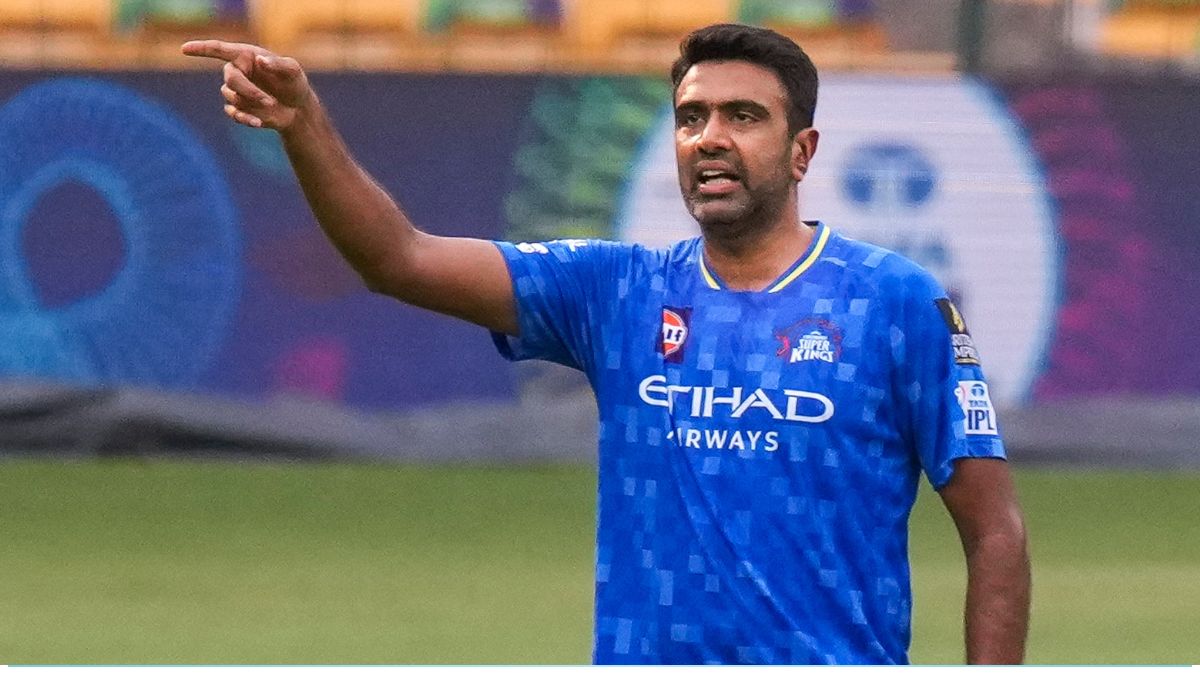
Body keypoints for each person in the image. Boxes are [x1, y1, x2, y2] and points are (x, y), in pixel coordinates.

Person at [182, 23, 1030, 665]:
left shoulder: (897, 302)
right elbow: (398, 259)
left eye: (743, 116)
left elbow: (994, 531)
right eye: (691, 117)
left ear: (801, 150)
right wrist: (304, 125)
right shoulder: (616, 290)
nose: (711, 137)